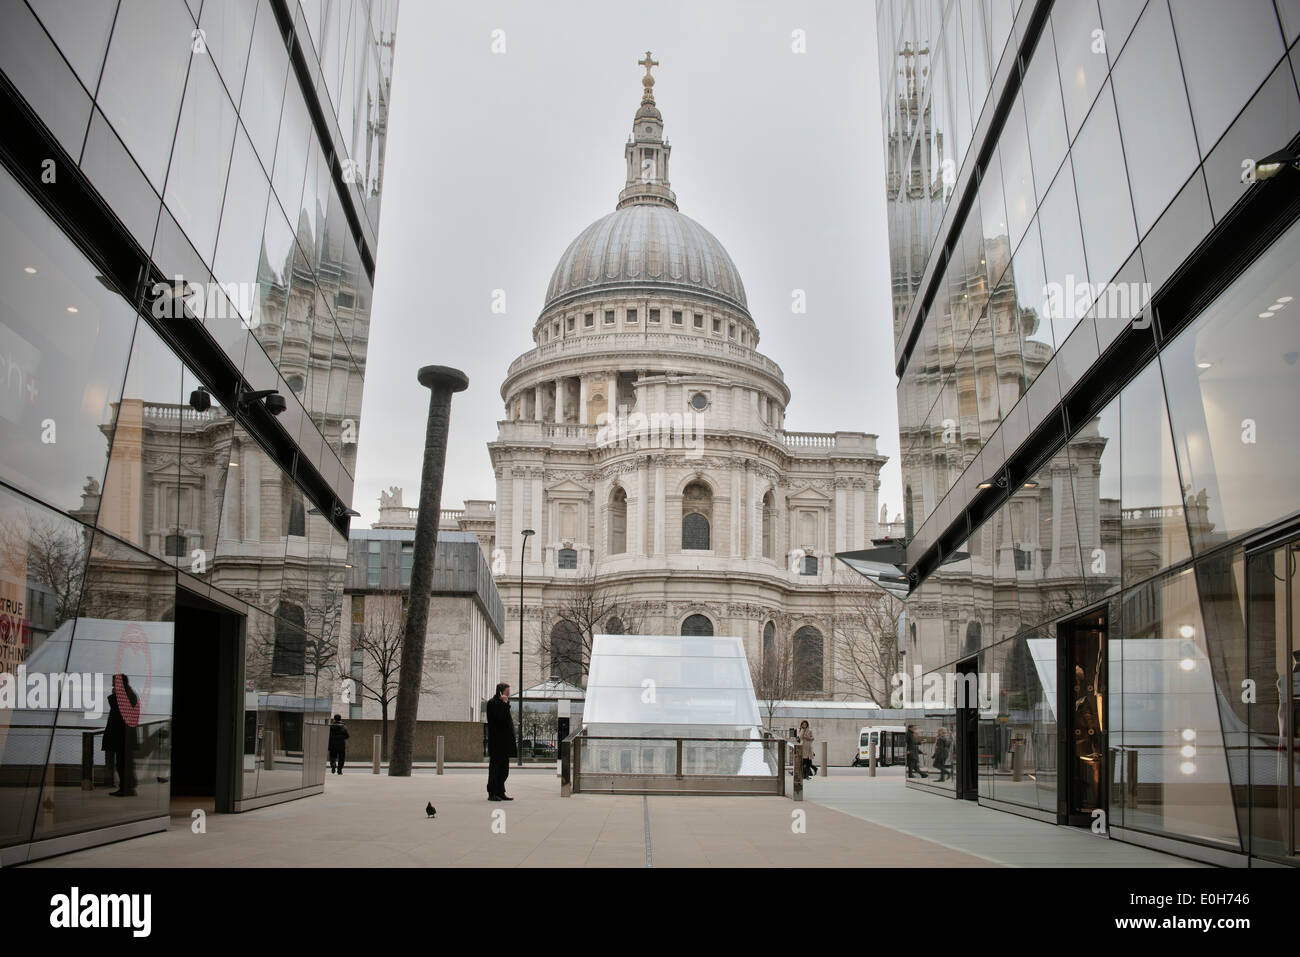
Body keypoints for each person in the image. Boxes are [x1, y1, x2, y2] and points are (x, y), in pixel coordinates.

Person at [103, 673, 139, 796]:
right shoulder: (130, 694)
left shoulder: (125, 696)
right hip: (124, 735)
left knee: (122, 763)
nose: (113, 684)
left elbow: (118, 711)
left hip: (122, 735)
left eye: (114, 682)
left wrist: (114, 695)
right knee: (123, 762)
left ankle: (126, 787)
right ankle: (126, 786)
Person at [485, 682, 516, 801]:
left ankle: (501, 791)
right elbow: (500, 718)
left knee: (504, 769)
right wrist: (505, 703)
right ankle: (492, 792)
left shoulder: (504, 703)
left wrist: (506, 703)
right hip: (497, 742)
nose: (509, 695)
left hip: (505, 742)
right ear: (501, 692)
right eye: (507, 692)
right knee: (495, 769)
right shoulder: (492, 703)